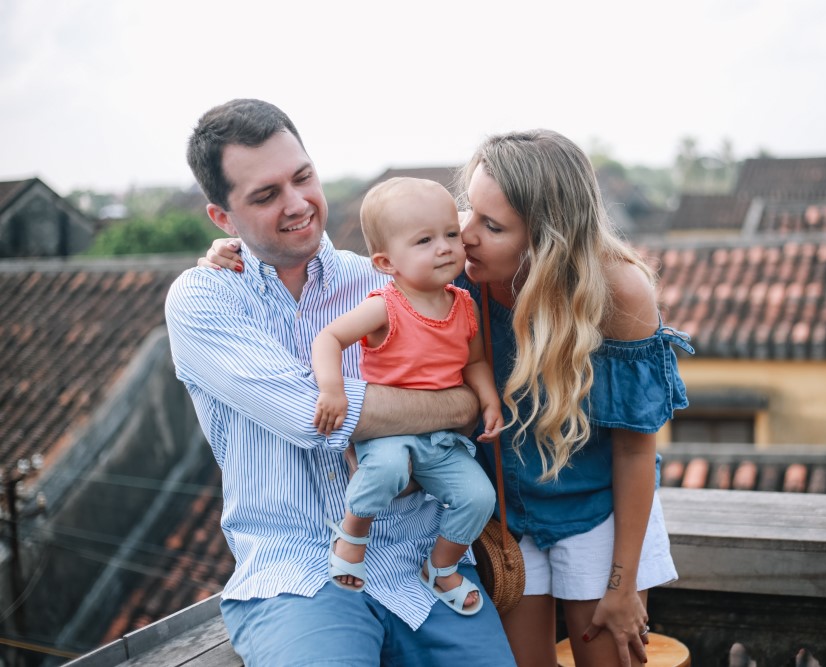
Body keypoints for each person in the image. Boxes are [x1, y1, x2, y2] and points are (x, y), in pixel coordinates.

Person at [202, 128, 693, 667]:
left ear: (545, 240)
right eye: (468, 212)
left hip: (596, 511)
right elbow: (394, 256)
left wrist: (624, 586)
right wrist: (234, 247)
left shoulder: (615, 292)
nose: (465, 236)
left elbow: (635, 449)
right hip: (508, 517)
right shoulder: (460, 267)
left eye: (492, 225)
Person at [167, 98, 516, 666]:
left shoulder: (384, 278)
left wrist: (458, 404)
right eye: (265, 195)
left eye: (302, 177)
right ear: (222, 219)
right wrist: (455, 407)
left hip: (424, 565)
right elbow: (311, 414)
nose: (297, 204)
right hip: (298, 573)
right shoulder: (206, 297)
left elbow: (481, 354)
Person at [312, 176, 501, 616]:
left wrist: (489, 400)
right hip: (390, 434)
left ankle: (441, 566)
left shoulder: (463, 305)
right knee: (386, 470)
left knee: (479, 496)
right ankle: (352, 534)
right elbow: (328, 339)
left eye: (451, 234)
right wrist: (332, 389)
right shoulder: (386, 306)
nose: (445, 247)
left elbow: (473, 362)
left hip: (442, 440)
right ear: (385, 261)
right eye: (424, 240)